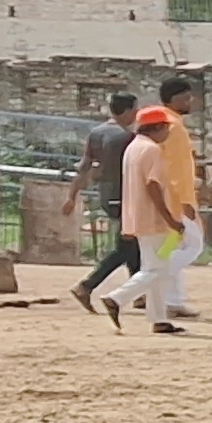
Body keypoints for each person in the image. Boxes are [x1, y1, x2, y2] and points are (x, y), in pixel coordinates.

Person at [96, 80, 201, 335]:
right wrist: (169, 218)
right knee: (157, 269)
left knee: (157, 266)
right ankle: (117, 298)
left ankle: (158, 318)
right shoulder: (152, 151)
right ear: (157, 128)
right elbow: (154, 187)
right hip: (156, 220)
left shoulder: (133, 148)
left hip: (139, 218)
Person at [69, 88, 138, 318]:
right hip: (125, 194)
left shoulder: (96, 133)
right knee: (125, 247)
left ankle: (139, 292)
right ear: (127, 111)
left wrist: (72, 196)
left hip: (106, 194)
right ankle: (87, 285)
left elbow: (84, 167)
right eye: (135, 110)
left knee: (132, 246)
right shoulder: (126, 137)